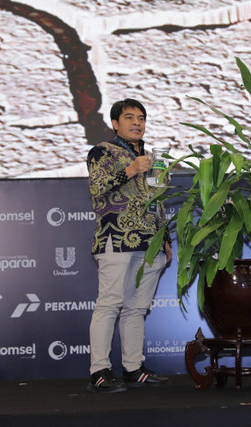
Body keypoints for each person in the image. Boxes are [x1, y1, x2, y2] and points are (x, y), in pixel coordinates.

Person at [86, 98, 172, 393]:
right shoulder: (102, 151)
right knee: (109, 304)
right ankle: (99, 371)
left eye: (142, 118)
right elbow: (97, 189)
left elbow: (158, 200)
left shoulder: (153, 157)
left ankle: (134, 369)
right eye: (130, 117)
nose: (137, 122)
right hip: (117, 239)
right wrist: (132, 169)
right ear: (115, 123)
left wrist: (166, 239)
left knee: (136, 309)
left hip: (151, 244)